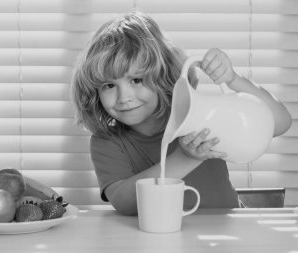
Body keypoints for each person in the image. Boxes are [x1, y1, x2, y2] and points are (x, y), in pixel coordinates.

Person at [70, 12, 292, 215]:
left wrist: (233, 79)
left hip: (226, 233)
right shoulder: (107, 142)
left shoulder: (196, 117)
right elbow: (125, 202)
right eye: (109, 85)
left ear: (162, 76)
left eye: (136, 80)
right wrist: (185, 159)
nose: (123, 97)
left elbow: (279, 122)